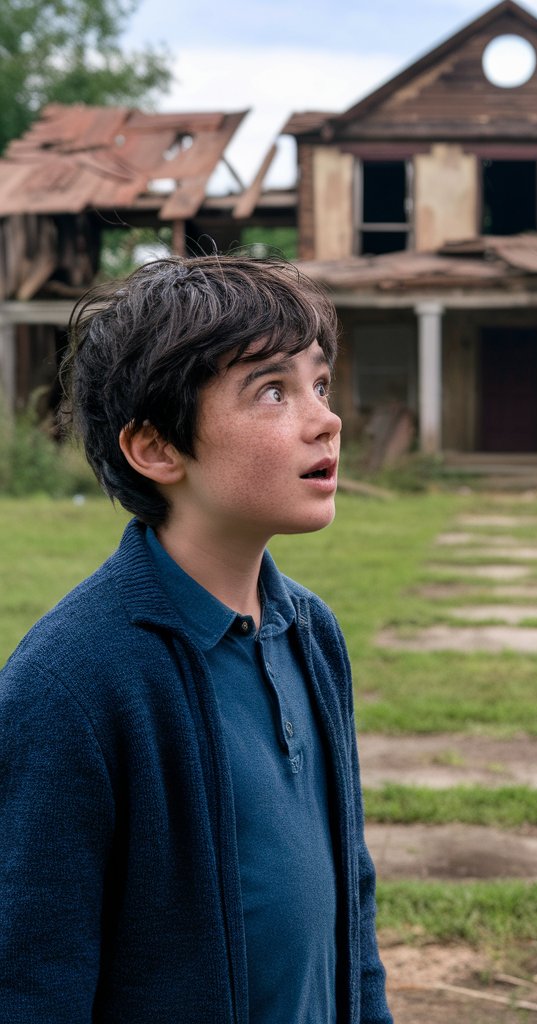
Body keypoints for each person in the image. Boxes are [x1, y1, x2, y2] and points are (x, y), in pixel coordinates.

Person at [0, 256, 393, 1024]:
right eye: (273, 391)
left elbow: (352, 899)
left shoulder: (312, 633)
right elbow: (31, 983)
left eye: (319, 384)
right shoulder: (70, 686)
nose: (326, 418)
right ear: (156, 448)